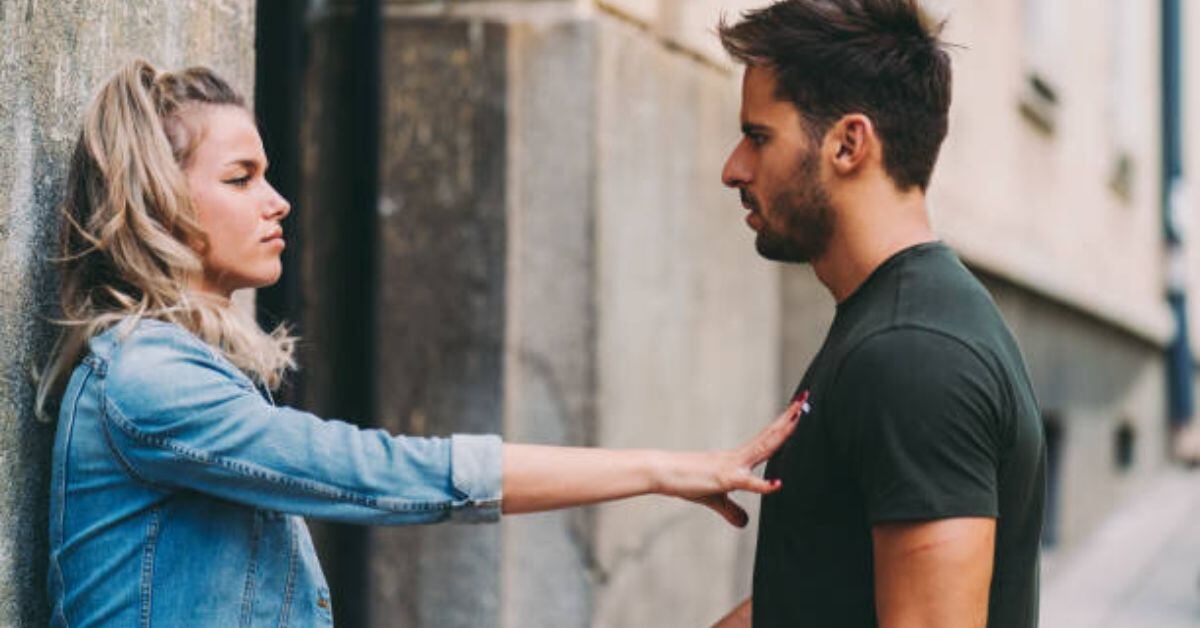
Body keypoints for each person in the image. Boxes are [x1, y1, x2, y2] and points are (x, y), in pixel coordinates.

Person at [37, 59, 802, 627]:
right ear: (157, 202)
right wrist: (662, 470)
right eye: (241, 178)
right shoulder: (150, 380)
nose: (279, 202)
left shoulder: (185, 372)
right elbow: (380, 474)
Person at [711, 1, 1045, 627]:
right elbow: (824, 592)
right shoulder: (895, 324)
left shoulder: (914, 354)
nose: (734, 169)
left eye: (758, 137)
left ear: (848, 143)